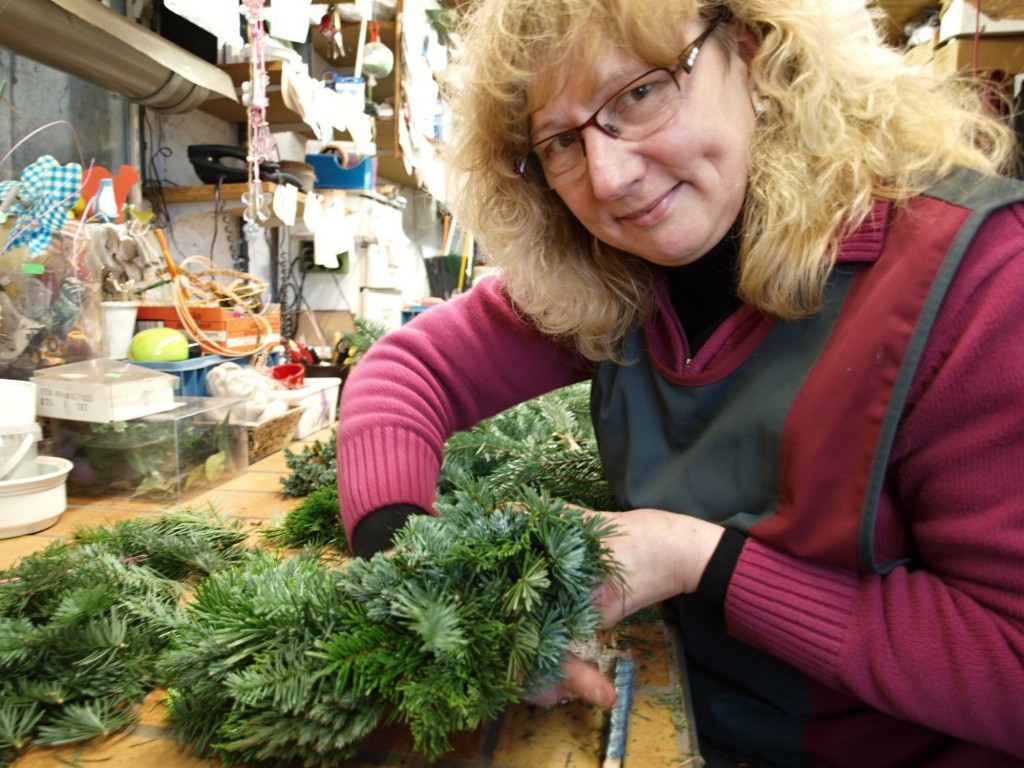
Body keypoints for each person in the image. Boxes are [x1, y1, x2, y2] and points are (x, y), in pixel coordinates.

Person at [336, 0, 1024, 765]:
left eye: (639, 93)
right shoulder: (614, 274)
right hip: (673, 718)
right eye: (561, 141)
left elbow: (1011, 662)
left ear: (753, 51)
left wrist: (695, 557)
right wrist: (411, 572)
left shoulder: (977, 284)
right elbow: (406, 369)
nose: (610, 176)